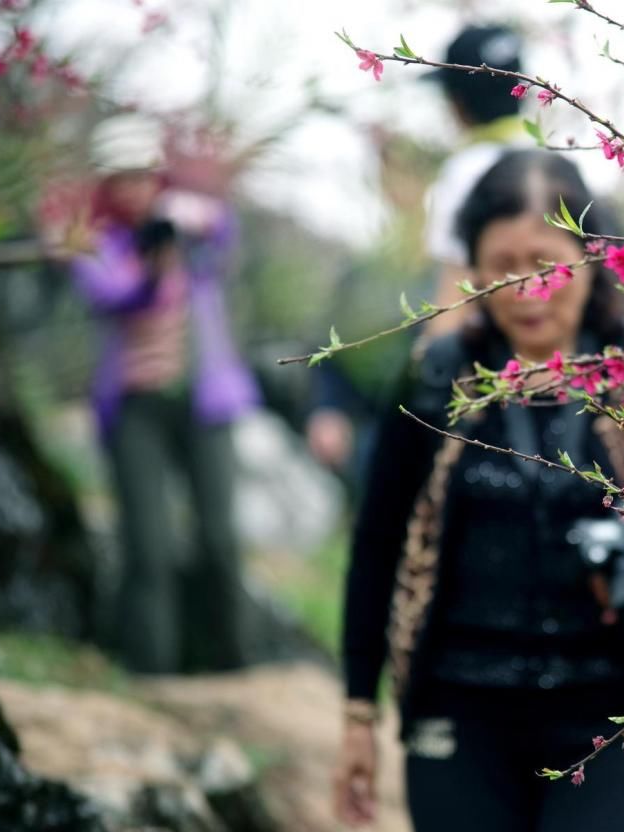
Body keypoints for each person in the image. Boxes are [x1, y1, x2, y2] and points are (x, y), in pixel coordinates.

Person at [332, 151, 624, 832]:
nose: (527, 287)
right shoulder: (436, 380)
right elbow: (377, 544)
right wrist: (359, 709)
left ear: (593, 259)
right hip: (460, 710)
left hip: (614, 711)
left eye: (548, 260)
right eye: (502, 263)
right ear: (472, 267)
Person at [71, 115, 259, 674]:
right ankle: (151, 669)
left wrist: (186, 218)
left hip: (205, 404)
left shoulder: (189, 229)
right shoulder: (100, 245)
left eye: (140, 175)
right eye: (119, 177)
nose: (131, 188)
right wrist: (152, 263)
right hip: (135, 409)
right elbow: (118, 295)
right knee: (147, 545)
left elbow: (226, 235)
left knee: (220, 540)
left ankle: (231, 665)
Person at [305, 24, 529, 477]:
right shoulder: (553, 162)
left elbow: (452, 298)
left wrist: (426, 394)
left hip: (481, 382)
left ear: (458, 104)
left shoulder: (466, 171)